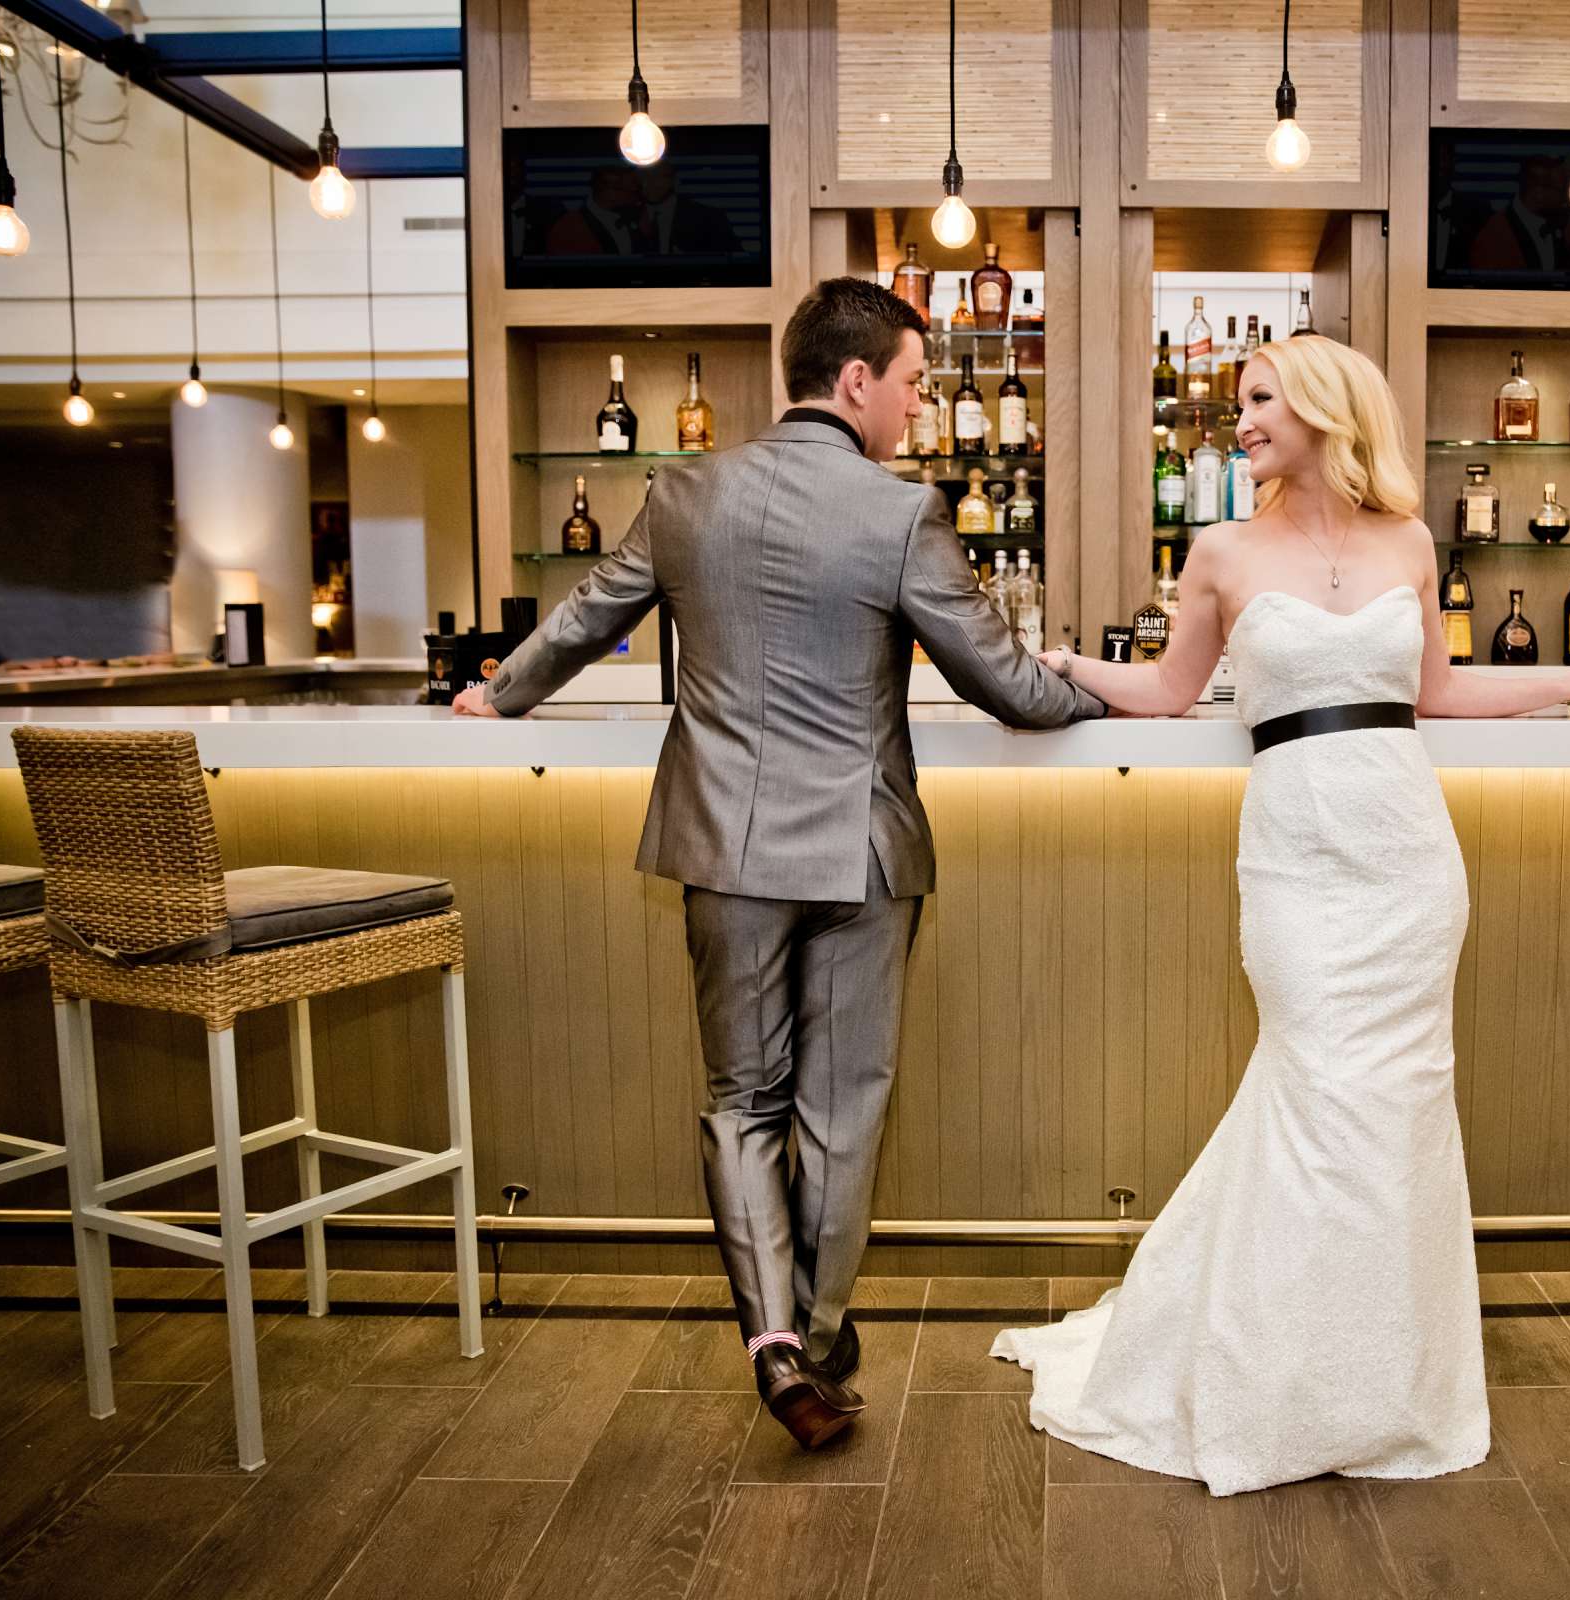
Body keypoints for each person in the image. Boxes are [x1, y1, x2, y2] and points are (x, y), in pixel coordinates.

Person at [456, 277, 1105, 1449]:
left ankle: (776, 1347)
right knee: (840, 1104)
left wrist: (495, 693)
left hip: (722, 842)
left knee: (739, 1101)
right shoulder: (901, 512)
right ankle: (817, 1320)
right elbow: (1008, 687)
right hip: (860, 850)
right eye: (912, 384)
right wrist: (1107, 692)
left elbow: (587, 616)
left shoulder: (686, 492)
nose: (917, 408)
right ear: (855, 381)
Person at [992, 334, 1570, 1496]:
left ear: (1323, 408)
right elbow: (1170, 691)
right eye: (1237, 402)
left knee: (1398, 1115)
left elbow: (1435, 691)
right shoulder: (1221, 549)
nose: (1236, 421)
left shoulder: (1410, 538)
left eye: (1255, 400)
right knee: (1312, 1093)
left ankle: (1390, 1390)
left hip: (1407, 858)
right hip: (1293, 856)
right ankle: (1273, 1380)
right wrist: (1067, 662)